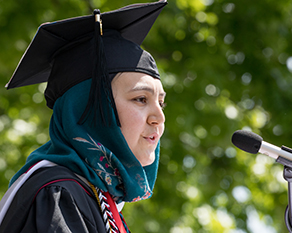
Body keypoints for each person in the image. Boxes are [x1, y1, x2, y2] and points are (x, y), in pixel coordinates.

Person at [0, 1, 167, 232]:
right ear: (83, 108)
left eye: (161, 103)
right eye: (140, 99)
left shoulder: (98, 201)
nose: (159, 117)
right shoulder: (57, 196)